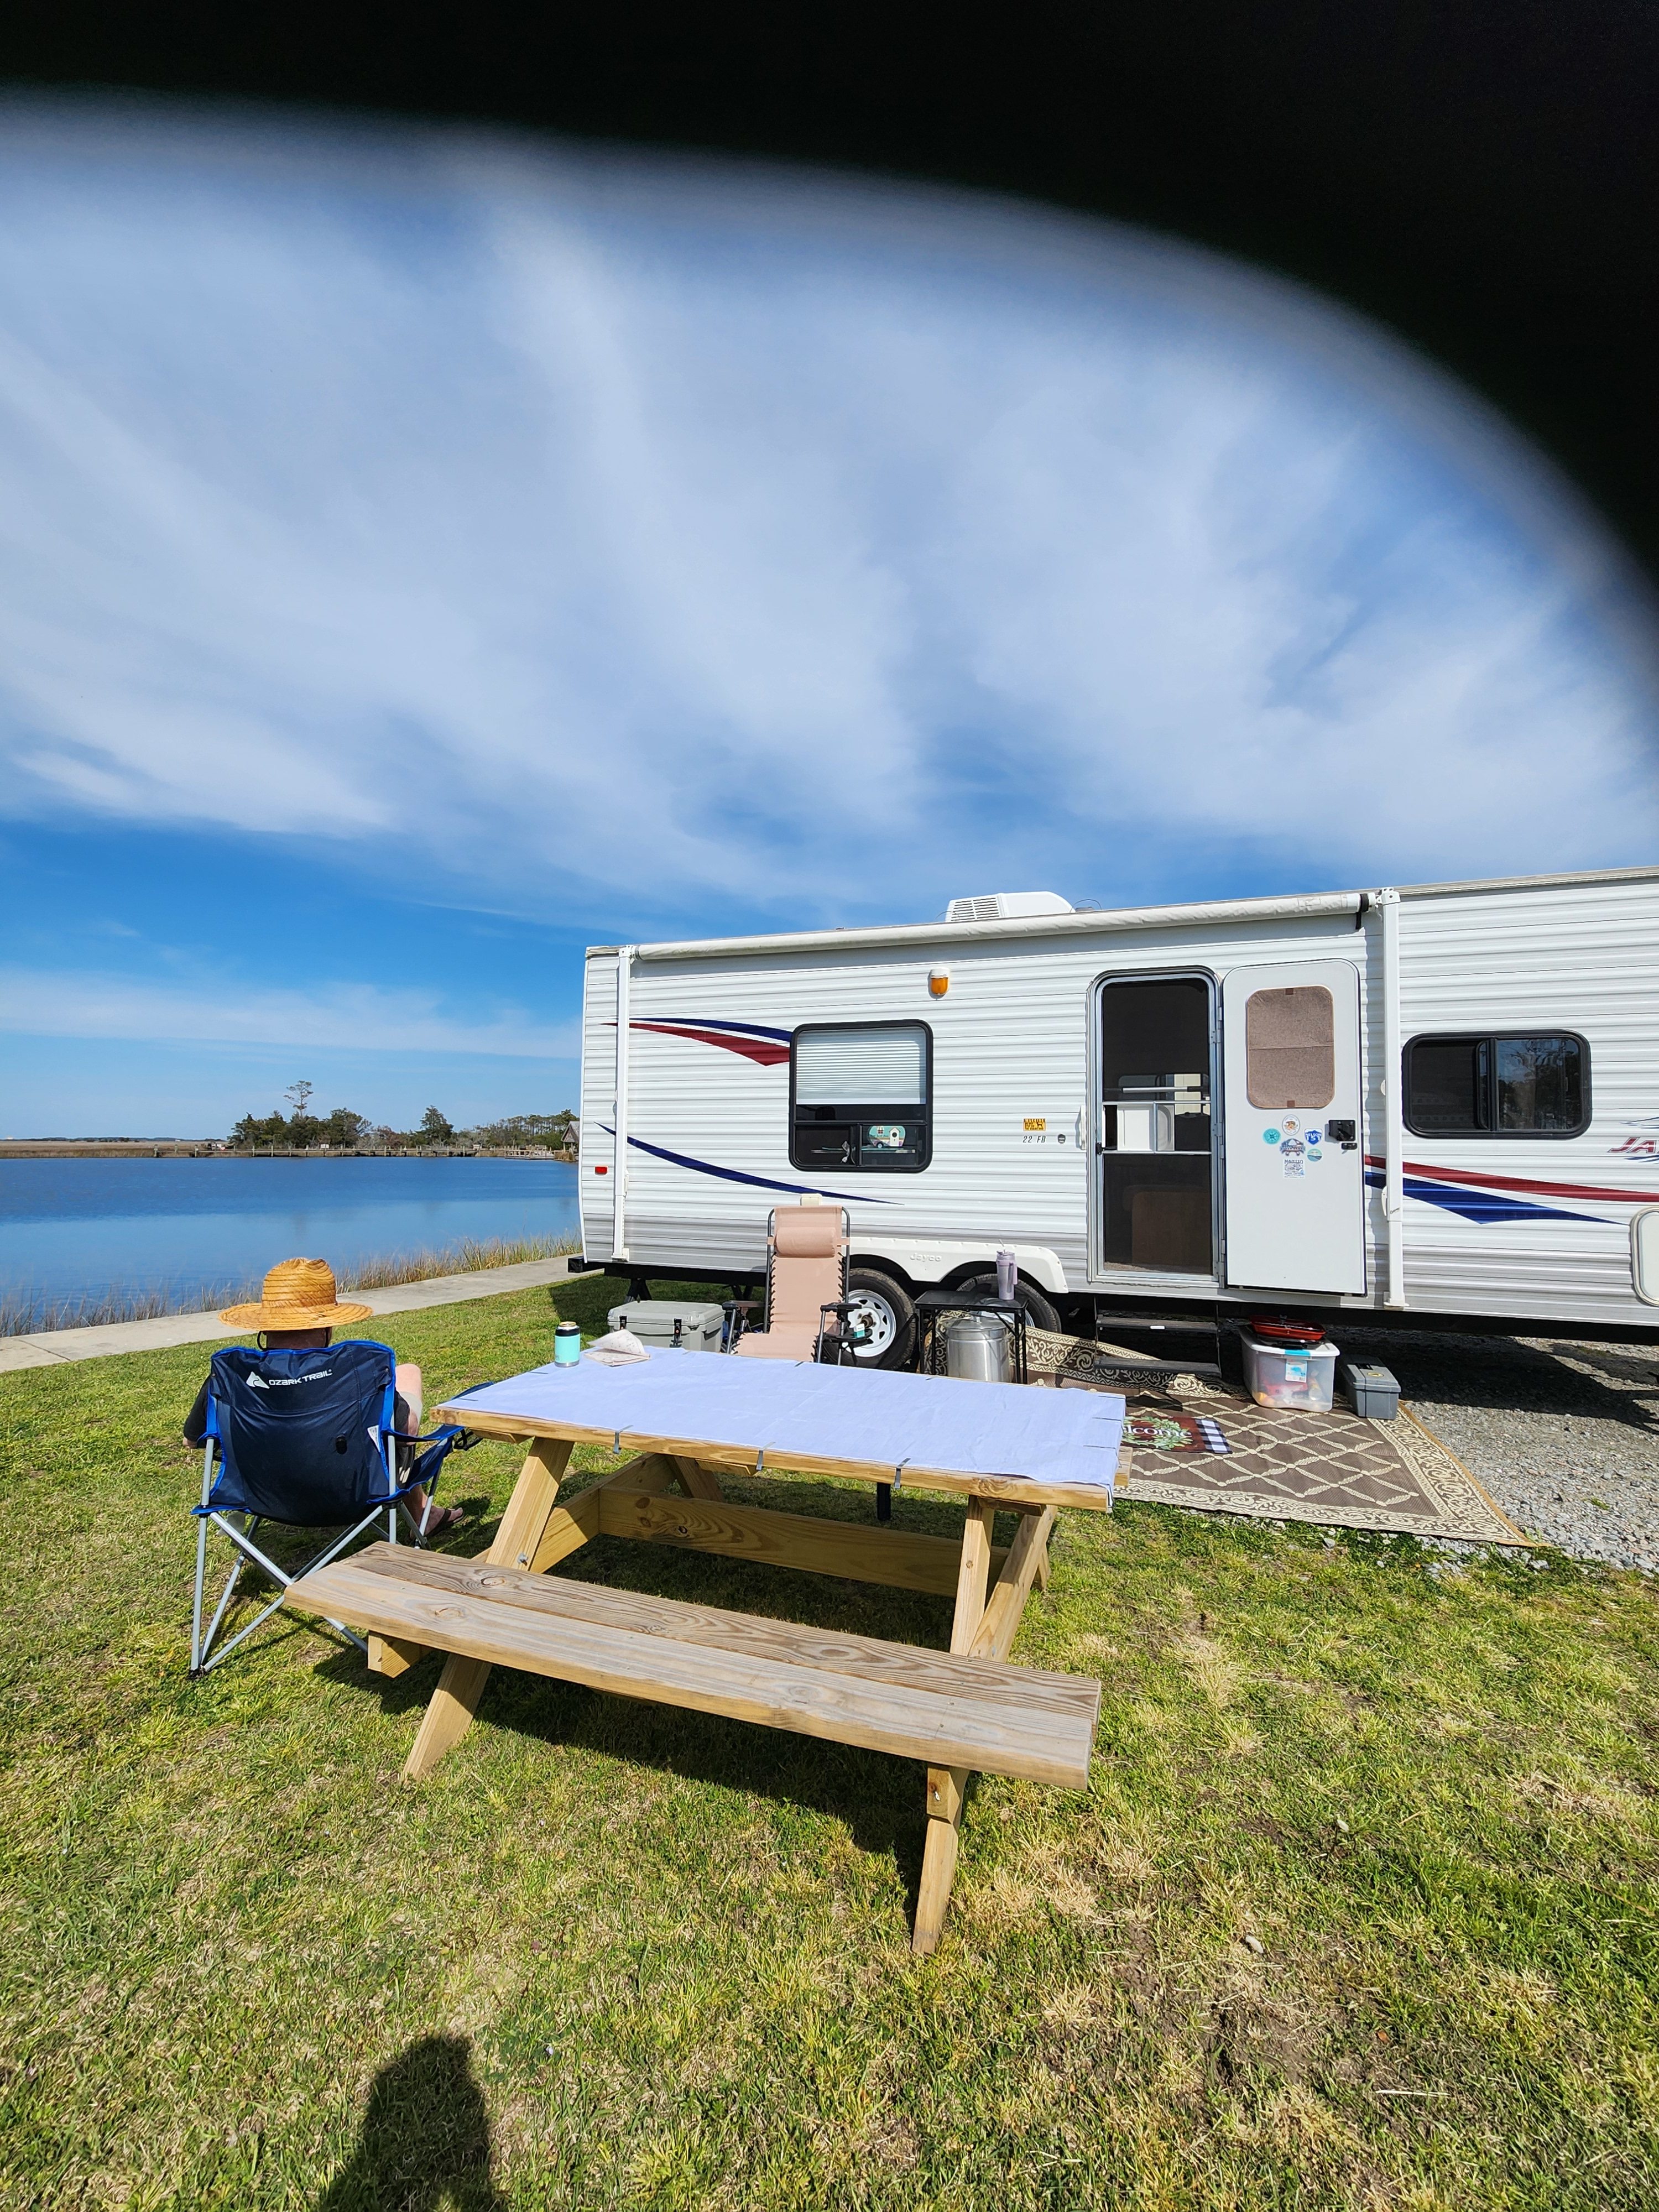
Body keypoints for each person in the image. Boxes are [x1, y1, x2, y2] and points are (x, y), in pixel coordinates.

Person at [184, 1256, 462, 1534]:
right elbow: (407, 1432)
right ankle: (423, 1513)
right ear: (327, 1327)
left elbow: (193, 1440)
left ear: (266, 1327)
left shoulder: (232, 1376)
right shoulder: (359, 1370)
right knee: (407, 1380)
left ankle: (424, 1511)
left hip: (261, 1497)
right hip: (357, 1496)